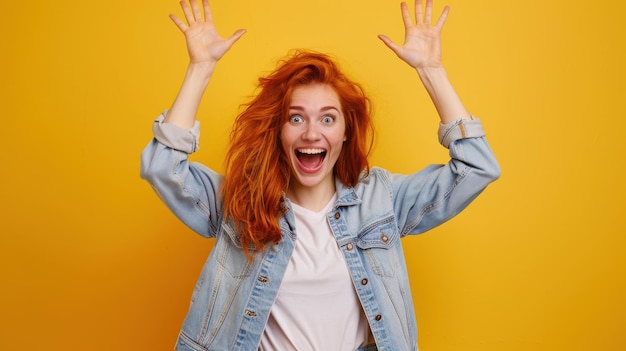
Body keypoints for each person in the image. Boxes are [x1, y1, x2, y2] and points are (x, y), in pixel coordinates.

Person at [140, 0, 500, 349]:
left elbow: (477, 168)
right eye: (296, 118)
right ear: (279, 131)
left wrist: (431, 71)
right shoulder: (240, 202)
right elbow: (161, 167)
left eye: (328, 118)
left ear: (345, 131)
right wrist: (200, 68)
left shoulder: (382, 200)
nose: (312, 133)